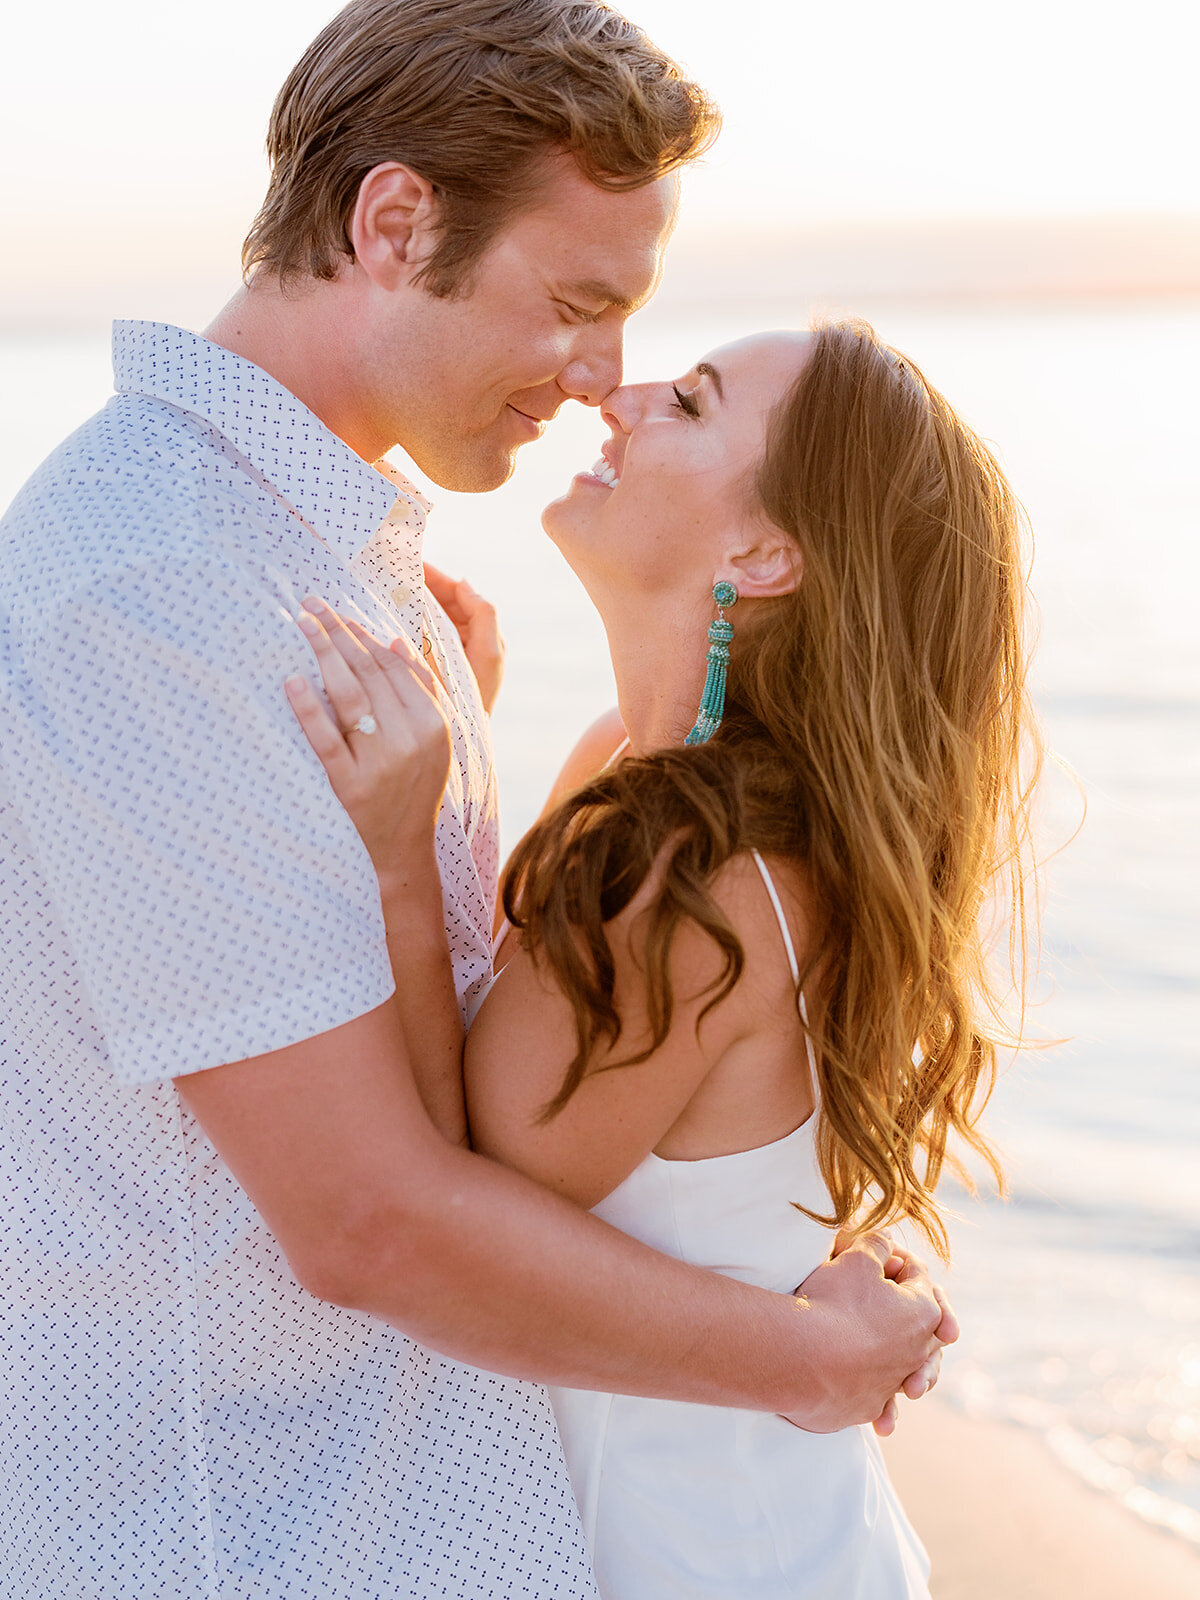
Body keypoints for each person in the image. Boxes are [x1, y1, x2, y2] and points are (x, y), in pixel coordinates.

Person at [0, 4, 950, 1597]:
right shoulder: (165, 585)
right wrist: (803, 1355)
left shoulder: (339, 567)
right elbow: (369, 1218)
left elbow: (516, 1067)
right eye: (578, 306)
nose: (605, 380)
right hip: (251, 1535)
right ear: (394, 224)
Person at [286, 318, 1042, 1598]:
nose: (619, 396)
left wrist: (405, 856)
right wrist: (461, 756)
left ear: (764, 553)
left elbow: (450, 1193)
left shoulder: (690, 862)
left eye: (689, 403)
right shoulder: (653, 781)